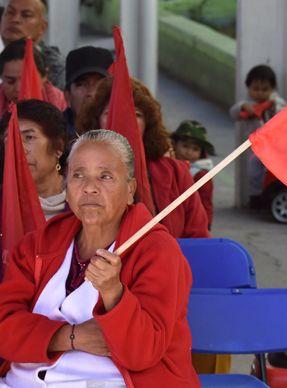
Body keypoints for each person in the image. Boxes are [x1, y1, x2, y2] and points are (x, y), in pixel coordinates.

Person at [0, 129, 199, 387]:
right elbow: (4, 326)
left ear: (130, 189)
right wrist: (70, 337)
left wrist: (113, 292)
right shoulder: (37, 244)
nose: (90, 188)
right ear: (66, 186)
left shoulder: (158, 251)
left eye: (105, 176)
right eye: (78, 175)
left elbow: (143, 353)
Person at [76, 77, 210, 238]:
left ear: (148, 124)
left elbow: (199, 239)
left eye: (136, 114)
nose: (125, 121)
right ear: (96, 122)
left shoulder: (177, 173)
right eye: (111, 113)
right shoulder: (78, 173)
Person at [229, 64, 286, 208]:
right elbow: (233, 113)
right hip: (254, 148)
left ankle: (271, 196)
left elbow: (284, 113)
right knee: (253, 172)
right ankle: (255, 196)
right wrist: (243, 108)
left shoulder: (276, 102)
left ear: (272, 88)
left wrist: (272, 108)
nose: (260, 93)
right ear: (248, 88)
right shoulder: (246, 104)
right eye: (256, 89)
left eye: (265, 89)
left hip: (273, 147)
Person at [0, 99, 67, 219]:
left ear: (58, 147)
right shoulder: (3, 202)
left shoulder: (82, 197)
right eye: (9, 140)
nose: (19, 149)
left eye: (29, 137)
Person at [0, 0, 65, 89]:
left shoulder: (56, 69)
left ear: (42, 27)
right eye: (10, 12)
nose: (15, 19)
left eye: (26, 15)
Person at [0, 38, 66, 115]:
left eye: (26, 82)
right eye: (10, 82)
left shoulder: (64, 106)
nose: (18, 89)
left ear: (44, 76)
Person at [171, 119, 215, 229]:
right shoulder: (167, 166)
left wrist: (206, 224)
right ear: (174, 145)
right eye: (185, 146)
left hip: (193, 223)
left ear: (201, 153)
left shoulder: (200, 175)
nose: (189, 153)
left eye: (195, 149)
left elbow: (206, 203)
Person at [63, 46, 113, 143]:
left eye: (100, 84)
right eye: (82, 85)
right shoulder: (52, 137)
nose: (91, 93)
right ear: (67, 96)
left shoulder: (126, 135)